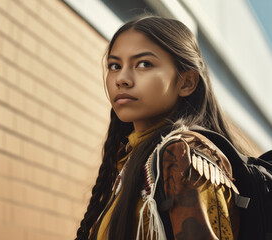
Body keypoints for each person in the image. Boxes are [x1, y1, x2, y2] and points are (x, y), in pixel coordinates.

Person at [75, 16, 247, 240]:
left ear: (186, 83)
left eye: (144, 64)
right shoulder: (132, 159)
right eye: (115, 66)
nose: (122, 79)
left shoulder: (183, 158)